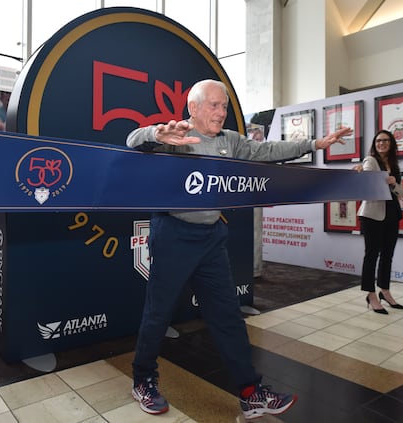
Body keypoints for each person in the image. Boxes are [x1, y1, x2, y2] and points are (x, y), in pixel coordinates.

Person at [125, 79, 352, 420]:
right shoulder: (177, 136)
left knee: (228, 316)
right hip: (173, 234)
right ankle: (143, 379)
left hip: (211, 237)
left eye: (224, 106)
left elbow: (268, 152)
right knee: (158, 313)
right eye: (213, 105)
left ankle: (250, 392)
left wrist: (316, 143)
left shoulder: (230, 141)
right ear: (193, 108)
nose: (220, 112)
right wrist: (156, 135)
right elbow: (131, 141)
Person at [354, 129, 403, 314]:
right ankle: (371, 294)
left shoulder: (394, 164)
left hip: (392, 214)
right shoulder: (371, 160)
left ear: (391, 143)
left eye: (385, 140)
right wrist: (361, 171)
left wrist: (393, 183)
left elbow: (402, 193)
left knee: (387, 256)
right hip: (372, 214)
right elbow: (368, 180)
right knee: (371, 256)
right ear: (374, 144)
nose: (381, 143)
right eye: (378, 141)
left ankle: (385, 290)